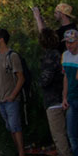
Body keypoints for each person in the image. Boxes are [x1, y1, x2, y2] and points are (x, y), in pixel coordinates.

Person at [38, 28, 72, 156]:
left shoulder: (49, 57)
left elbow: (46, 79)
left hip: (53, 101)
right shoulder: (61, 55)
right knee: (70, 134)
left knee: (59, 136)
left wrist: (39, 82)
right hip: (65, 97)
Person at [0, 28, 26, 156]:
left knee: (15, 126)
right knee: (10, 127)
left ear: (1, 40)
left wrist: (13, 95)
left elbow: (21, 78)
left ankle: (21, 152)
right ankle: (18, 150)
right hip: (1, 98)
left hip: (11, 98)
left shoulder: (12, 56)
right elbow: (0, 77)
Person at [63, 28, 78, 156]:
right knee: (72, 133)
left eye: (72, 42)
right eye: (67, 42)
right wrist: (64, 97)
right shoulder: (65, 55)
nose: (69, 45)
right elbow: (66, 77)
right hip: (71, 98)